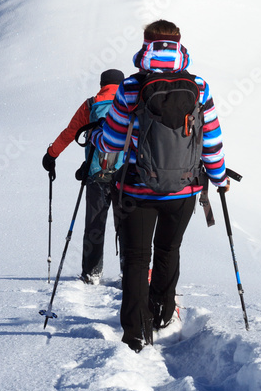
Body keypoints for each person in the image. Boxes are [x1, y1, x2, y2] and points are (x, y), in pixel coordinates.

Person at [91, 20, 229, 353]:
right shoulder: (199, 86)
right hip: (184, 189)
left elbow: (110, 143)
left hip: (138, 190)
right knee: (169, 251)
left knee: (137, 261)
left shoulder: (130, 88)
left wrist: (96, 136)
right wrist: (219, 178)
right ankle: (163, 315)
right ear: (178, 45)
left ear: (146, 45)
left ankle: (136, 333)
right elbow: (210, 139)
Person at [42, 68, 125, 285]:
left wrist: (51, 155)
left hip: (96, 172)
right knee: (127, 224)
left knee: (95, 224)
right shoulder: (131, 103)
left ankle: (92, 273)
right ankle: (131, 270)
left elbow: (70, 133)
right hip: (126, 176)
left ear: (101, 84)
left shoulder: (91, 104)